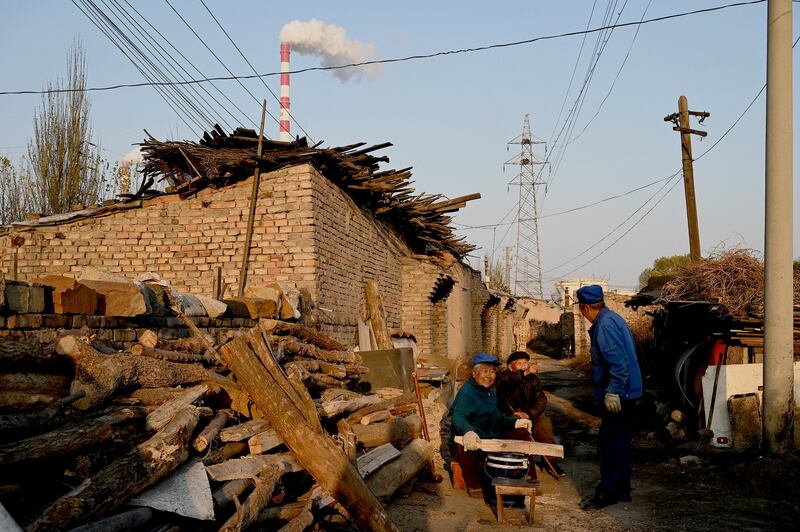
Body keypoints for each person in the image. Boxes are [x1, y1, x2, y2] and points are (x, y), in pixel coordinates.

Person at [575, 284, 642, 510]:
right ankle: (622, 489)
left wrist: (613, 391)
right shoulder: (613, 319)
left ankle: (608, 493)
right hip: (629, 392)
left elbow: (618, 362)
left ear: (585, 308)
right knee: (621, 442)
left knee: (610, 444)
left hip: (619, 394)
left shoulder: (603, 325)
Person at [450, 352, 535, 499]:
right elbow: (458, 416)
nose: (489, 376)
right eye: (485, 371)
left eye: (492, 371)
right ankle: (473, 484)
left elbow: (496, 417)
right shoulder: (467, 392)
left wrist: (516, 422)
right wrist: (468, 431)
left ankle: (528, 476)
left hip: (490, 432)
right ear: (474, 373)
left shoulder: (488, 392)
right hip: (475, 435)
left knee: (522, 434)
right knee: (466, 443)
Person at [496, 351, 565, 478]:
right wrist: (524, 373)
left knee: (544, 424)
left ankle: (550, 461)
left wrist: (529, 413)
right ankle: (523, 464)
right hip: (510, 415)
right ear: (511, 367)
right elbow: (505, 384)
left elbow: (541, 399)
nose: (524, 366)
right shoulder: (503, 377)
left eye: (526, 363)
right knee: (521, 433)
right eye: (520, 363)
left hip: (529, 415)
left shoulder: (533, 379)